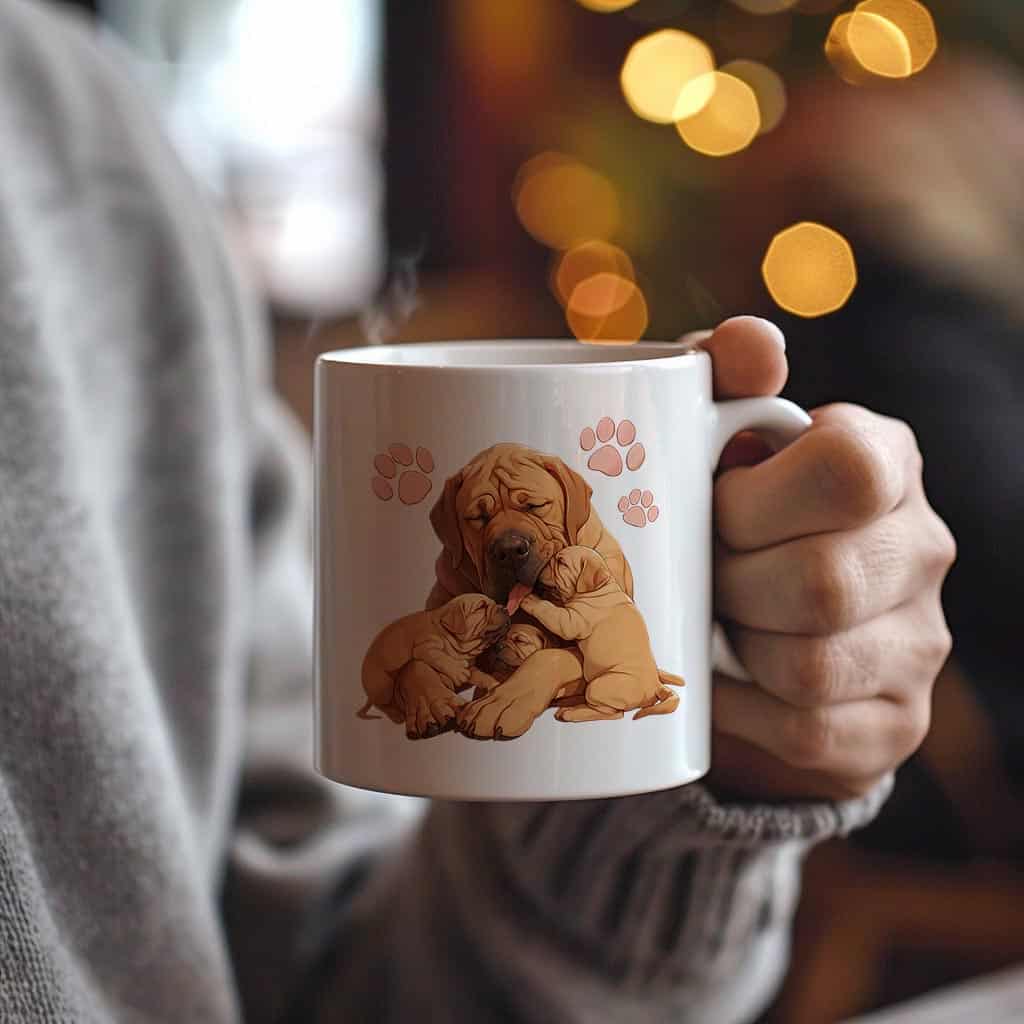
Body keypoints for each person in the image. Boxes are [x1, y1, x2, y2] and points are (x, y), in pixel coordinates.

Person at [0, 2, 954, 1022]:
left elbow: (322, 970)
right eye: (483, 519)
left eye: (534, 511)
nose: (505, 535)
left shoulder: (84, 142)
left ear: (577, 510)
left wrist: (699, 772)